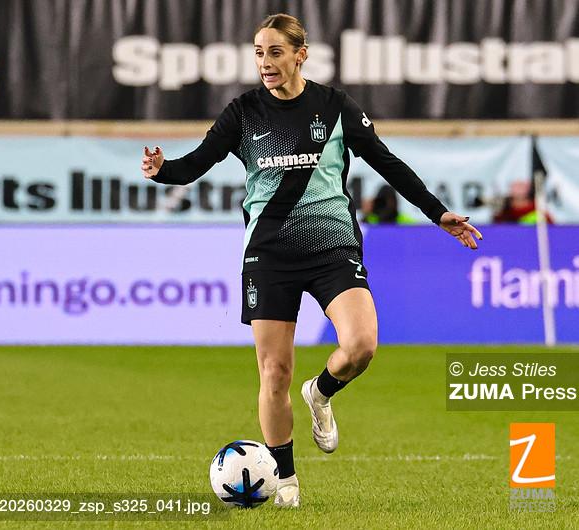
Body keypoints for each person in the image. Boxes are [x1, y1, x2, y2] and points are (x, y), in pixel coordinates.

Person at [142, 13, 483, 508]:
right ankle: (285, 481)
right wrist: (161, 170)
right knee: (274, 372)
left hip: (332, 248)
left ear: (300, 55)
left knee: (361, 346)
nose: (265, 62)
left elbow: (386, 162)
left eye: (275, 52)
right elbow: (195, 164)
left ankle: (320, 392)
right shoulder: (244, 112)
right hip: (269, 255)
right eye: (258, 53)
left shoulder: (335, 107)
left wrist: (437, 213)